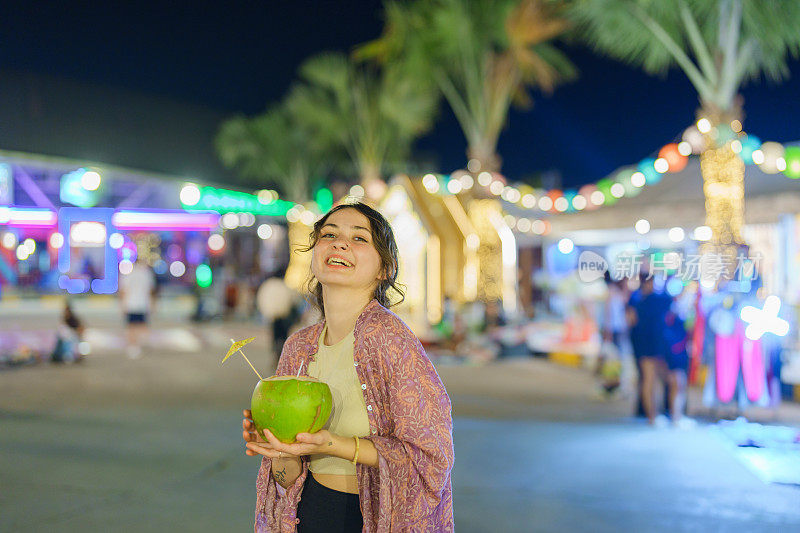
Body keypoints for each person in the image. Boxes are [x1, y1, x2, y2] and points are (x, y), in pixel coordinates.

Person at [242, 202, 454, 532]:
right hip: (309, 512)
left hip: (367, 518)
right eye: (329, 234)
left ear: (386, 267)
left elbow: (430, 459)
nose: (340, 243)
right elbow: (288, 476)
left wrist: (331, 444)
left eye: (359, 238)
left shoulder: (391, 339)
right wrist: (278, 446)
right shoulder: (299, 346)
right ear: (314, 254)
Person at [627, 273, 674, 425]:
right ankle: (652, 416)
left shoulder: (635, 300)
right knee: (651, 380)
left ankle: (651, 415)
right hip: (653, 344)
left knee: (648, 379)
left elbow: (631, 321)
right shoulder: (657, 300)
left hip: (642, 343)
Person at [118, 256, 156, 359]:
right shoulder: (146, 273)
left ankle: (133, 346)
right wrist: (152, 304)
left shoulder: (128, 274)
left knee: (131, 327)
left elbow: (123, 290)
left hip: (131, 303)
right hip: (142, 303)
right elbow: (151, 290)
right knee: (141, 326)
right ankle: (138, 344)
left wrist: (122, 304)